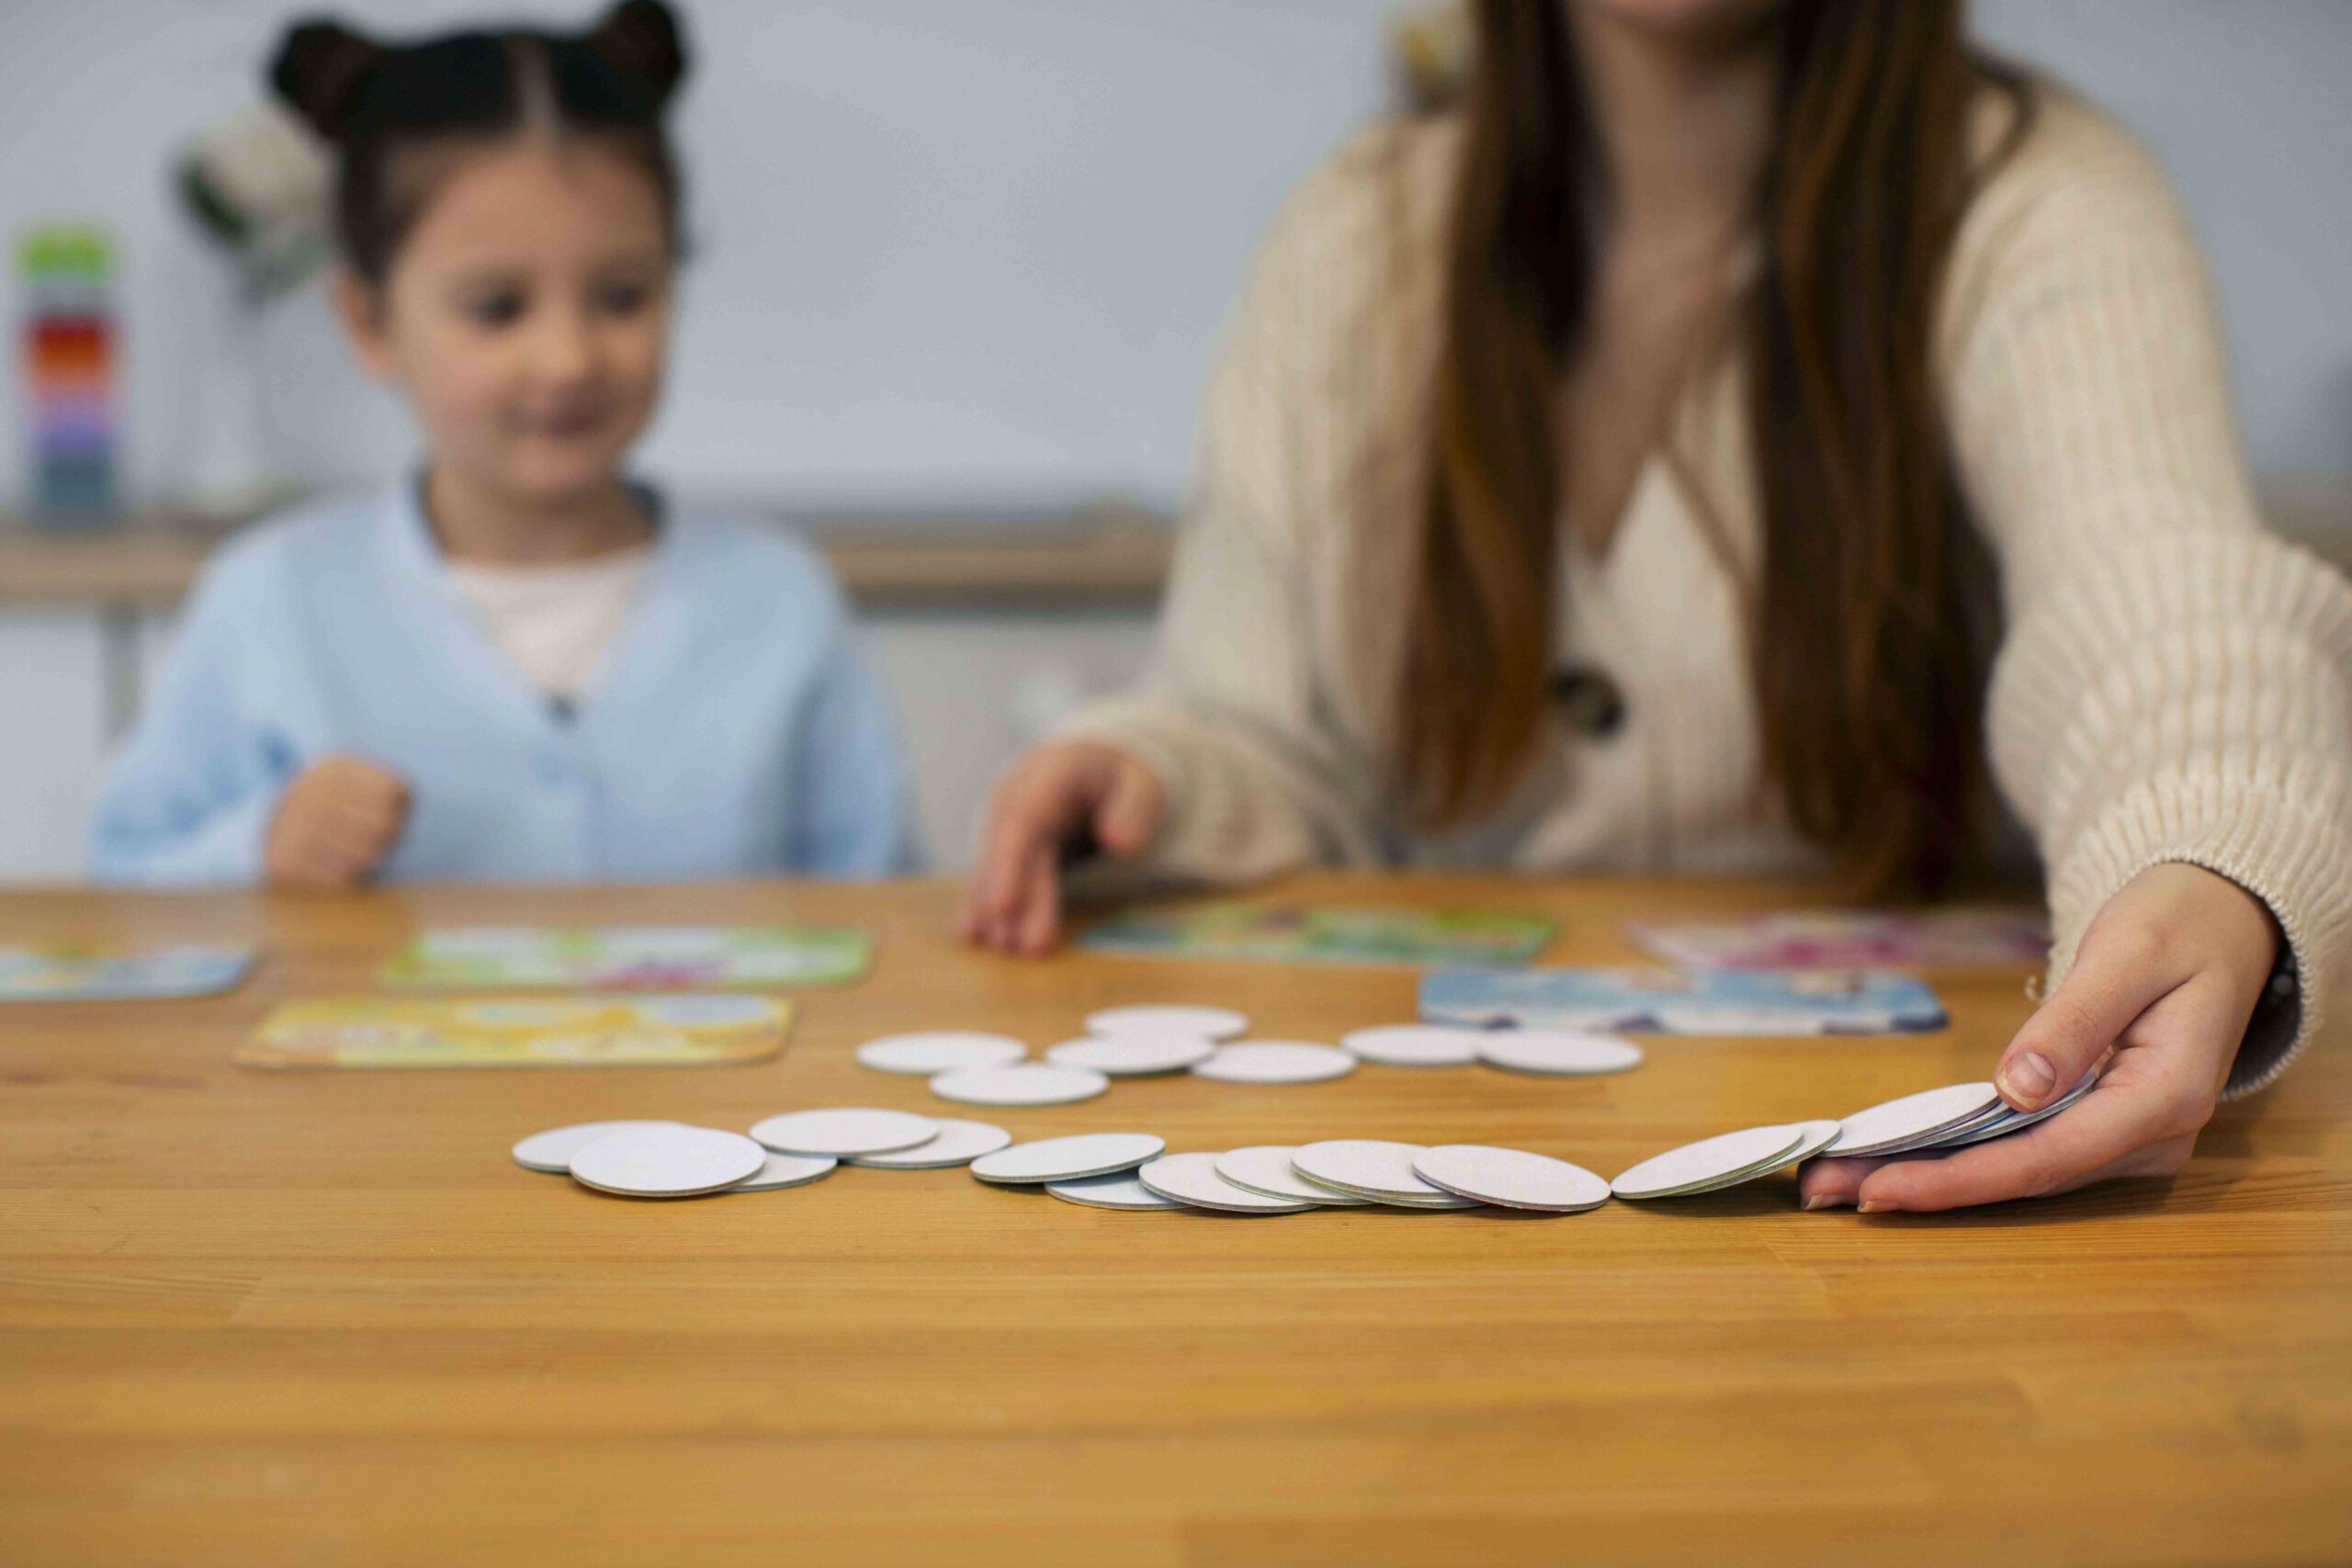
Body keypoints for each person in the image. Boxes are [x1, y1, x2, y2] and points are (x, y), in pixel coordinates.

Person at [963, 0, 2352, 1213]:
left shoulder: (2041, 198)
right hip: (1454, 1180)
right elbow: (1266, 736)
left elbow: (2157, 597)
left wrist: (2205, 850)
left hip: (1896, 1226)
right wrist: (1153, 773)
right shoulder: (1356, 239)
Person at [91, 1, 916, 887]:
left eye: (624, 295)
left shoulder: (780, 599)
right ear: (369, 321)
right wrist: (261, 847)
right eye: (497, 308)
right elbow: (125, 884)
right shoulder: (269, 600)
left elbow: (887, 905)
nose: (567, 360)